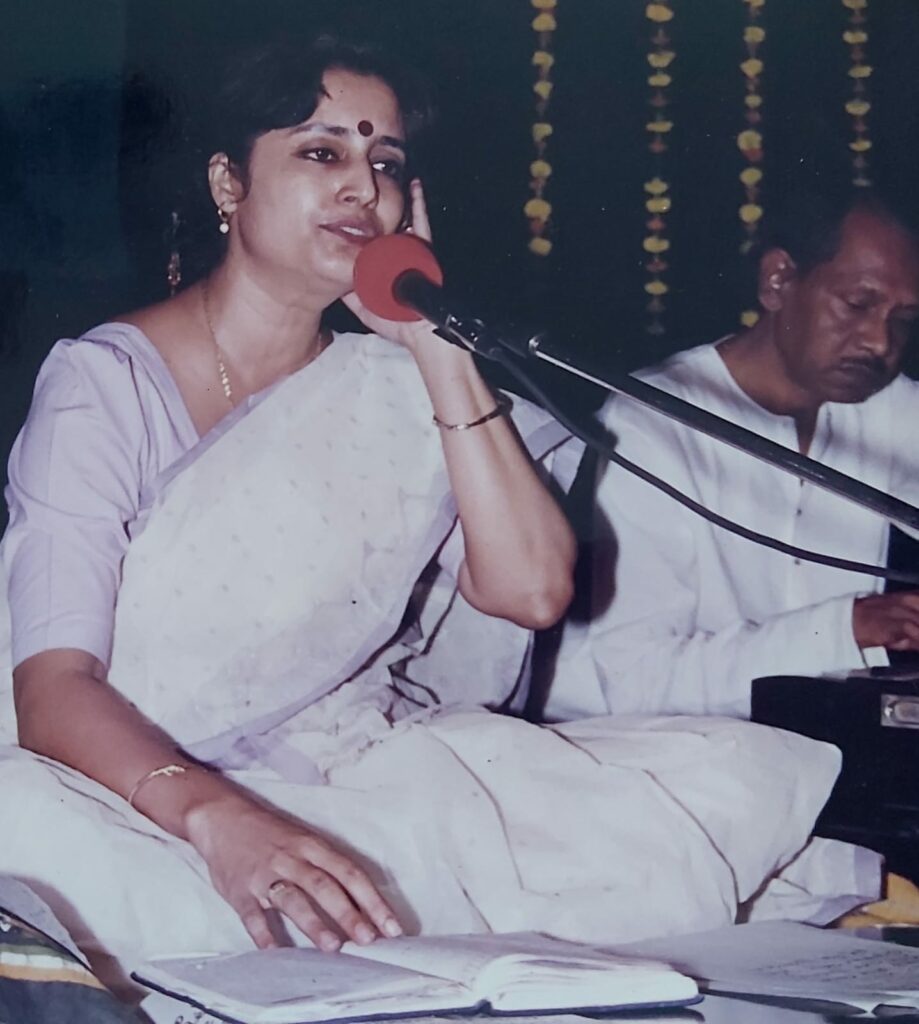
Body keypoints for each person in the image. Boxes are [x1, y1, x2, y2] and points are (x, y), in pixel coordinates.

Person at [0, 35, 867, 1001]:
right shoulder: (105, 384)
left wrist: (435, 351)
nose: (362, 187)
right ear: (227, 182)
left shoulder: (386, 387)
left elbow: (532, 590)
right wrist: (218, 819)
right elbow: (53, 690)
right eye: (321, 151)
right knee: (53, 861)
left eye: (386, 163)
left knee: (726, 780)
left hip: (336, 777)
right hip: (127, 786)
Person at [546, 189, 919, 722]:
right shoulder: (649, 424)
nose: (880, 343)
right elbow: (637, 683)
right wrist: (847, 629)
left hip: (815, 744)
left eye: (903, 320)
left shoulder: (885, 406)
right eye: (857, 305)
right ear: (778, 281)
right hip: (644, 748)